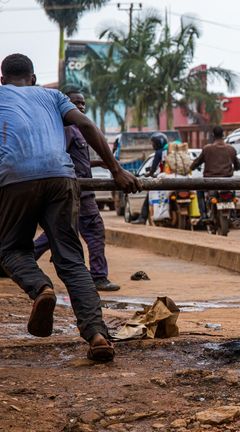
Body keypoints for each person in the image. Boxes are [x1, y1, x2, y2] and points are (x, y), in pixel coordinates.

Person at [0, 53, 140, 361]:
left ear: (2, 79)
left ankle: (41, 289)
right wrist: (116, 169)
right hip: (62, 177)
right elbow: (86, 124)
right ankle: (98, 335)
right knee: (72, 260)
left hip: (14, 179)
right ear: (33, 78)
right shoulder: (53, 96)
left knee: (10, 249)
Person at [32, 90, 120, 292]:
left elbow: (76, 160)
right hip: (79, 191)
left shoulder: (73, 130)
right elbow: (60, 157)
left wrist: (98, 162)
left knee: (56, 232)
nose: (81, 107)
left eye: (83, 104)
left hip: (75, 189)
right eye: (76, 103)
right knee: (94, 230)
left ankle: (15, 263)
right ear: (65, 105)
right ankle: (99, 276)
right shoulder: (66, 130)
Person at [131, 132, 169, 225]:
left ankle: (142, 218)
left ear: (158, 143)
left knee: (149, 197)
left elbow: (153, 169)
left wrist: (148, 174)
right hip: (173, 178)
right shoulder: (168, 151)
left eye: (153, 143)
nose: (152, 145)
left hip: (162, 179)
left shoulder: (159, 153)